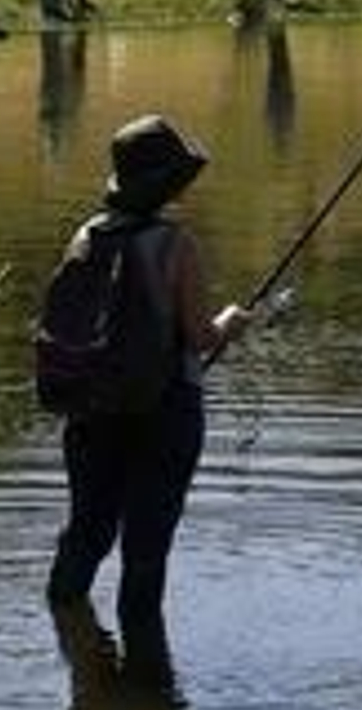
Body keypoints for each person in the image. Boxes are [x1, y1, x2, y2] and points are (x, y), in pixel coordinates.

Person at [46, 115, 252, 634]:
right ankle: (143, 665)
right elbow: (201, 338)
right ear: (170, 185)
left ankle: (66, 626)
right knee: (146, 548)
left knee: (87, 532)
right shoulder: (175, 244)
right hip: (165, 413)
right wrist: (232, 321)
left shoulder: (86, 235)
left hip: (91, 408)